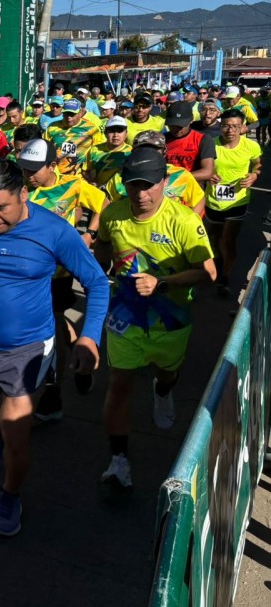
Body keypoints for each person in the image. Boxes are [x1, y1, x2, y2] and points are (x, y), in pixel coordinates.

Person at [0, 160, 109, 536]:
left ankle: (10, 494)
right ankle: (7, 442)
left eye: (1, 207)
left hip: (27, 351)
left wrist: (89, 336)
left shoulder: (53, 230)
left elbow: (97, 283)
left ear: (23, 195)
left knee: (17, 439)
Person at [95, 148, 217, 491]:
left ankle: (163, 391)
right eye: (133, 185)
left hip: (171, 320)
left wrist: (162, 283)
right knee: (119, 385)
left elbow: (208, 272)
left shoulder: (183, 221)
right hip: (125, 317)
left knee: (167, 374)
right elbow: (104, 244)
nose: (141, 193)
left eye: (149, 185)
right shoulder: (114, 214)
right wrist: (97, 265)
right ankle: (118, 461)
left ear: (165, 181)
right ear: (124, 184)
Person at [18, 139, 108, 418]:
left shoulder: (74, 185)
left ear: (53, 165)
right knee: (53, 322)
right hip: (26, 270)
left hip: (58, 272)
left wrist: (90, 233)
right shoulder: (20, 188)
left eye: (34, 170)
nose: (28, 175)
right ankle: (79, 355)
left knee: (53, 325)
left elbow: (104, 203)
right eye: (24, 169)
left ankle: (54, 392)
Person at [203, 108, 262, 296]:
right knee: (214, 238)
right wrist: (210, 175)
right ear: (221, 126)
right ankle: (218, 264)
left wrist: (254, 175)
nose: (230, 130)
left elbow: (257, 164)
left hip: (238, 200)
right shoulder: (211, 144)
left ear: (242, 127)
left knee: (228, 240)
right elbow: (204, 167)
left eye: (235, 126)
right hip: (213, 200)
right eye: (227, 126)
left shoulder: (250, 146)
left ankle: (225, 278)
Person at [104, 132, 205, 217]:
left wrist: (189, 222)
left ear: (165, 151)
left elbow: (199, 199)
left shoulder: (180, 175)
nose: (148, 153)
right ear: (133, 152)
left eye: (154, 149)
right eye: (142, 149)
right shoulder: (121, 176)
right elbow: (106, 205)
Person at [45, 99, 101, 176]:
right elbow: (44, 148)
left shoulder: (91, 128)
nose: (69, 117)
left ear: (80, 113)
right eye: (66, 113)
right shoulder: (52, 127)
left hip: (81, 175)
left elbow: (100, 150)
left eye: (72, 114)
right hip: (56, 174)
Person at [164, 101, 215, 184]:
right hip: (166, 190)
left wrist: (176, 178)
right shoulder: (162, 140)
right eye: (172, 125)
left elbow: (207, 172)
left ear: (191, 120)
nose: (176, 129)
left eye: (180, 125)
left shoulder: (203, 139)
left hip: (192, 189)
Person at [84, 117, 131, 187]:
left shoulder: (132, 152)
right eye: (112, 131)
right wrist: (92, 181)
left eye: (120, 131)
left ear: (126, 133)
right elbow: (86, 170)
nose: (115, 135)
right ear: (105, 133)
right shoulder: (94, 150)